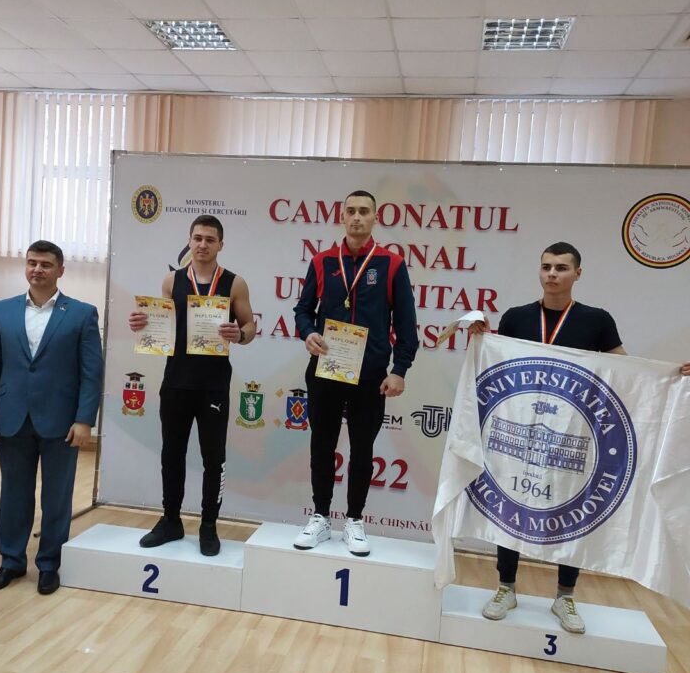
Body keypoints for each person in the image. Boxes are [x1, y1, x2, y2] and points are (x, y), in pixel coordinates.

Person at [473, 241, 690, 634]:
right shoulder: (517, 317)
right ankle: (506, 587)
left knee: (573, 511)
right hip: (523, 435)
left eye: (561, 267)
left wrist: (670, 375)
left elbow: (625, 369)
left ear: (577, 273)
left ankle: (565, 595)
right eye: (546, 266)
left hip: (576, 434)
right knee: (514, 502)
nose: (552, 274)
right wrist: (481, 338)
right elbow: (499, 360)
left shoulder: (596, 320)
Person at [293, 190, 419, 556]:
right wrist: (308, 332)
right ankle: (320, 516)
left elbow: (406, 323)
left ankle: (354, 520)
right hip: (327, 368)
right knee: (322, 444)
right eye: (351, 211)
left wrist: (400, 370)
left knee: (363, 448)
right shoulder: (322, 261)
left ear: (375, 218)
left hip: (370, 374)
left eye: (364, 211)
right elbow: (302, 310)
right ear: (342, 217)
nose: (357, 217)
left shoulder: (391, 264)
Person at [0, 241, 103, 595]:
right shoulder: (3, 310)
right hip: (11, 418)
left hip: (62, 421)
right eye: (32, 263)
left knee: (57, 496)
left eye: (46, 264)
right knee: (14, 492)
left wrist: (84, 420)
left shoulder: (82, 314)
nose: (37, 269)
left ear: (61, 270)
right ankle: (11, 562)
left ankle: (49, 564)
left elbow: (91, 373)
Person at [128, 215, 255, 556]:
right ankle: (171, 520)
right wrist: (142, 323)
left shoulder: (234, 283)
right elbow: (162, 324)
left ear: (220, 245)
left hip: (213, 385)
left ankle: (208, 525)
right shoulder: (172, 280)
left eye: (210, 239)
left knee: (214, 459)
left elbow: (250, 327)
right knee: (172, 454)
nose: (202, 245)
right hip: (176, 382)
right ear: (189, 240)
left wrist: (239, 334)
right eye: (197, 238)